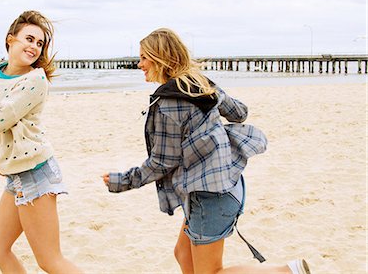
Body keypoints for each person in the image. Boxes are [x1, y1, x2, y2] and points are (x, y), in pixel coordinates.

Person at [102, 28, 311, 274]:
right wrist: (212, 94)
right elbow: (240, 113)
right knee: (183, 255)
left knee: (211, 272)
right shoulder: (200, 84)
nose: (140, 64)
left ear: (161, 58)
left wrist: (122, 181)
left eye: (145, 58)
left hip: (209, 196)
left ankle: (287, 271)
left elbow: (161, 162)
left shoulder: (169, 102)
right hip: (227, 185)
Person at [0, 10, 82, 274]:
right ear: (10, 39)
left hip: (35, 173)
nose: (34, 47)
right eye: (29, 39)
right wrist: (3, 161)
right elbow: (3, 129)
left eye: (39, 43)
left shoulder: (35, 80)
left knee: (50, 261)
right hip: (16, 175)